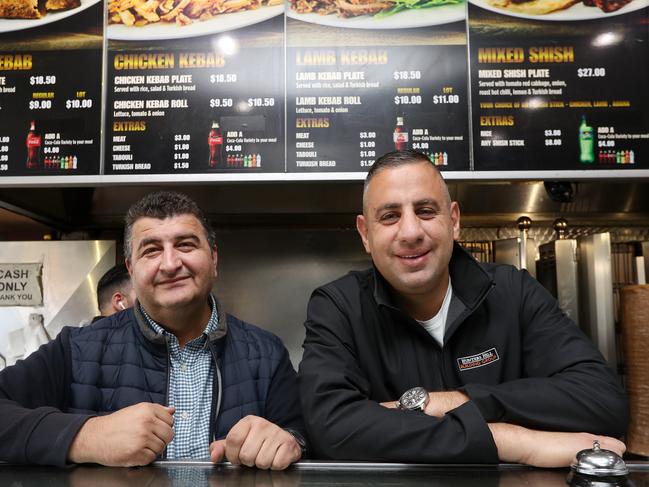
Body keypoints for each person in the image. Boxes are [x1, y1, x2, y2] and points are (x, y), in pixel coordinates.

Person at [298, 150, 628, 467]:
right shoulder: (338, 307)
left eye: (426, 211)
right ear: (365, 233)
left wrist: (450, 402)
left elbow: (603, 401)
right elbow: (330, 428)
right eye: (390, 216)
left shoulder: (513, 291)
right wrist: (509, 441)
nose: (411, 232)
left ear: (454, 221)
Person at [0, 191, 306, 469]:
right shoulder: (77, 349)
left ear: (213, 259)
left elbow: (303, 436)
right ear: (131, 270)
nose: (171, 263)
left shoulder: (267, 353)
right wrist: (86, 436)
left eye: (185, 244)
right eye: (151, 250)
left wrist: (288, 442)